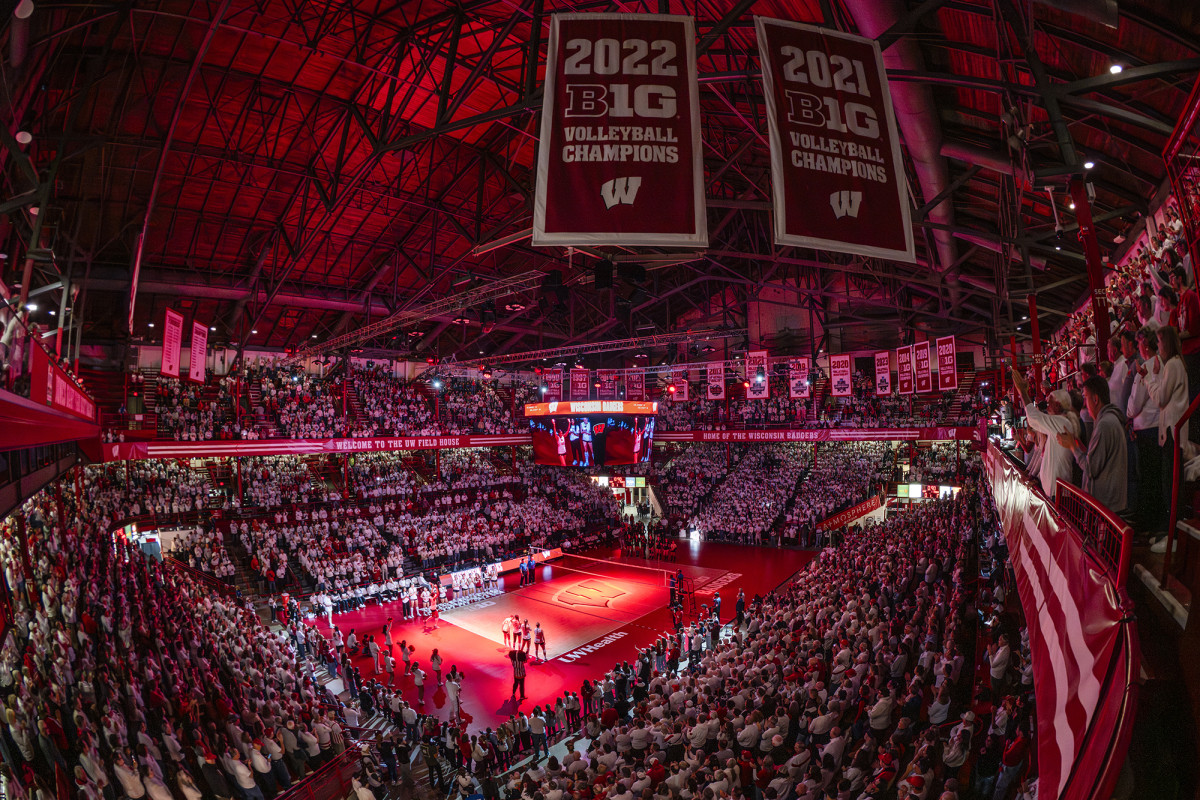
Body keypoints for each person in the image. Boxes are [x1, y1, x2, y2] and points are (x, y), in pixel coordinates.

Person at [1057, 376, 1128, 514]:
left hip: (1105, 506)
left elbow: (1090, 468)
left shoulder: (1104, 425)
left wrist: (1072, 447)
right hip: (1111, 502)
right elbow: (1097, 459)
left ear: (1095, 399)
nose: (1085, 403)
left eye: (1086, 397)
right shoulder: (1110, 420)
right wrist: (1076, 442)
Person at [1013, 367, 1079, 499]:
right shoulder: (1061, 423)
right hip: (1056, 492)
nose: (1047, 405)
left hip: (1059, 495)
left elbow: (1033, 418)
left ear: (1058, 405)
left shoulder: (1062, 423)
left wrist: (1023, 392)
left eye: (1050, 403)